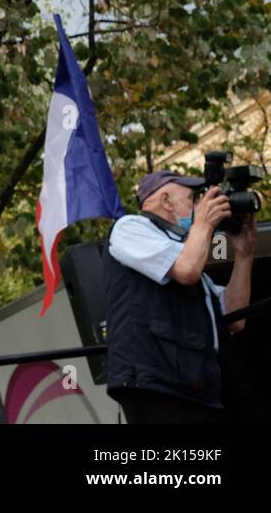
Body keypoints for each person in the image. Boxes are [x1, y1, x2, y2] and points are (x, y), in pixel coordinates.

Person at [104, 170, 255, 423]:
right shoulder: (129, 227)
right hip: (155, 382)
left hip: (194, 385)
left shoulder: (185, 255)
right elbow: (186, 270)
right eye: (193, 198)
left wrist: (244, 255)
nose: (199, 206)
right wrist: (204, 225)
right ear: (165, 200)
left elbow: (234, 319)